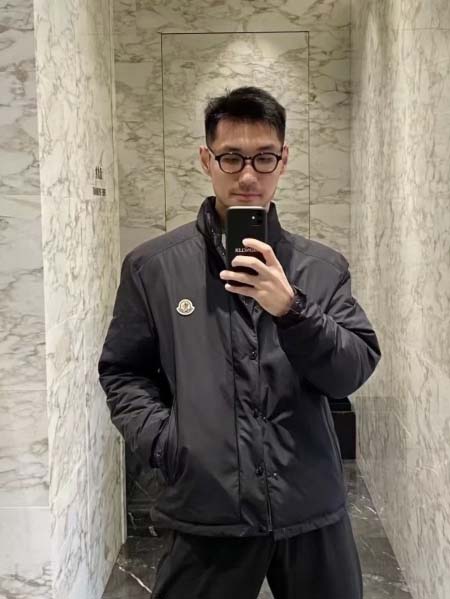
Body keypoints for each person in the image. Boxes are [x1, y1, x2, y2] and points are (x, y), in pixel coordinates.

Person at [98, 86, 381, 599]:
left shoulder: (321, 268)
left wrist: (292, 310)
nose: (248, 175)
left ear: (283, 160)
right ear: (206, 160)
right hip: (207, 506)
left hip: (310, 507)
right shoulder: (153, 268)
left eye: (264, 157)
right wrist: (170, 444)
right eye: (231, 157)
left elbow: (352, 370)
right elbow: (124, 372)